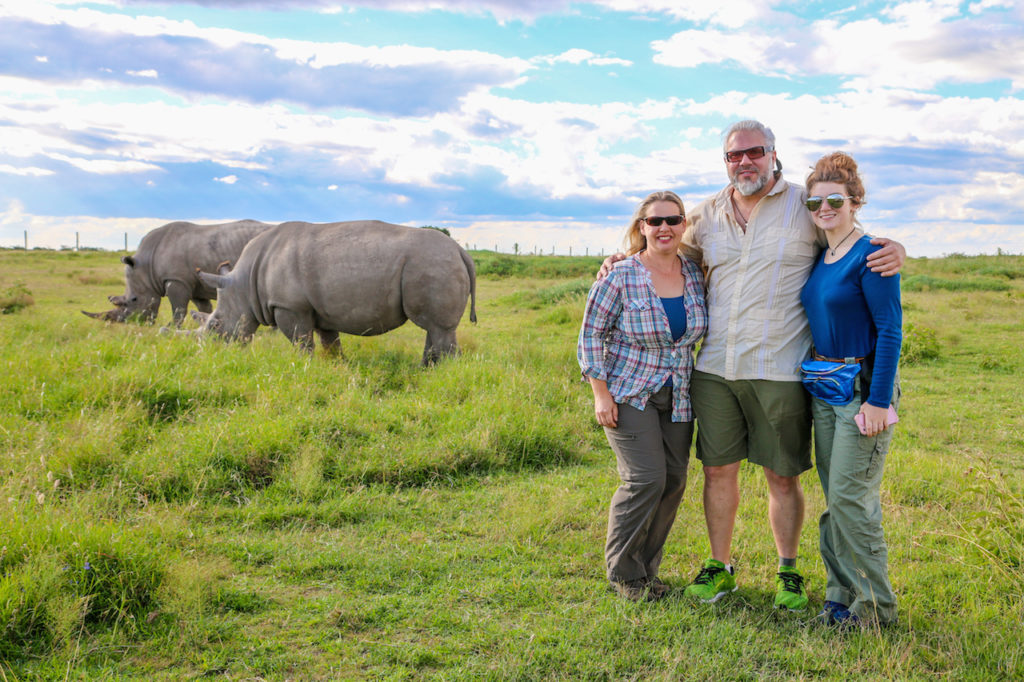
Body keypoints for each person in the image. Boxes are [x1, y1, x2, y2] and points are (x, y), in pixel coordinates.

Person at [598, 120, 905, 612]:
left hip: (781, 367)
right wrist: (620, 258)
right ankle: (719, 569)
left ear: (773, 154)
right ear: (725, 162)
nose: (744, 162)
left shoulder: (805, 205)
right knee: (718, 472)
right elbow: (662, 243)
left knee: (782, 476)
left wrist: (894, 248)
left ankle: (789, 572)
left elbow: (847, 238)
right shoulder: (706, 215)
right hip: (715, 369)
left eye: (754, 152)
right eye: (734, 155)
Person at [578, 191, 708, 602]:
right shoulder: (620, 275)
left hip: (679, 393)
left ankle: (647, 570)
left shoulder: (695, 273)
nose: (664, 227)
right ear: (641, 227)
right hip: (629, 391)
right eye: (655, 221)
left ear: (684, 225)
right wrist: (601, 394)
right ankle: (623, 572)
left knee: (673, 481)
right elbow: (591, 335)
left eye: (673, 220)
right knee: (644, 479)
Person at [799, 152, 902, 627]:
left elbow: (890, 330)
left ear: (855, 201)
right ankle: (839, 597)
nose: (824, 208)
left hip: (862, 391)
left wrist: (879, 401)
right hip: (824, 388)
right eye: (815, 201)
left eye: (834, 199)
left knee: (849, 498)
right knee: (834, 498)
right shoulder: (824, 255)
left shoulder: (873, 253)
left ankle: (877, 609)